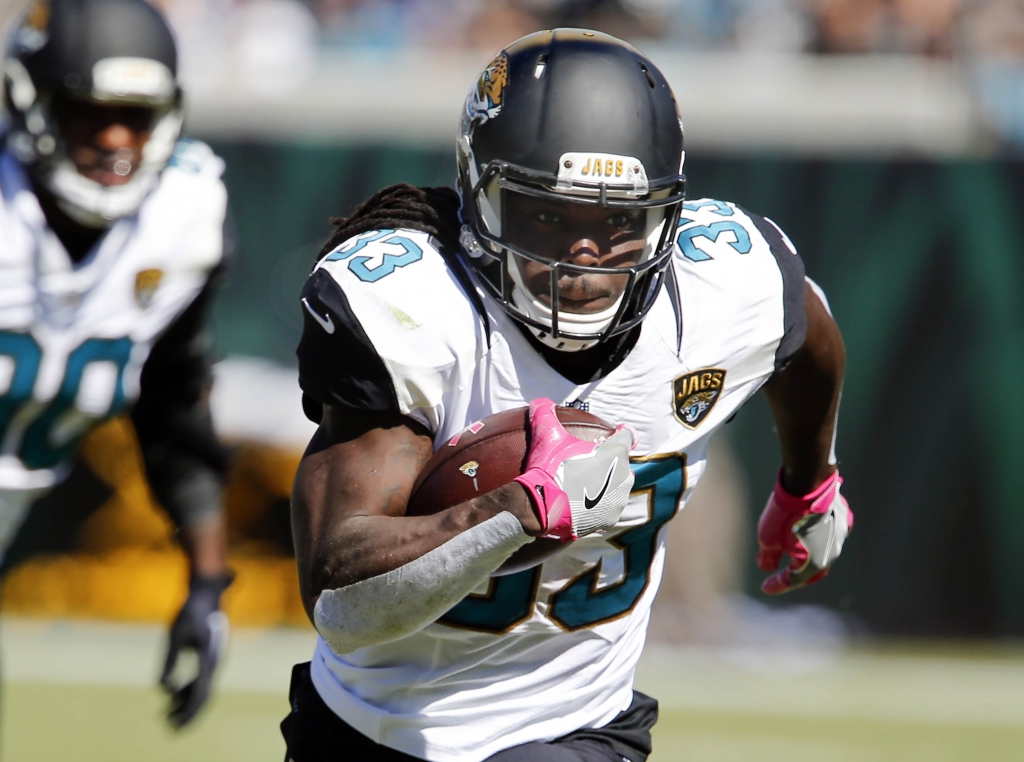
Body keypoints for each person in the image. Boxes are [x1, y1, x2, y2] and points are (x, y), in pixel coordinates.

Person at [286, 29, 853, 762]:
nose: (581, 260)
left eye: (617, 222)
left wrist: (810, 483)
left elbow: (809, 336)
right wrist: (514, 511)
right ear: (480, 196)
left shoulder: (723, 286)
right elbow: (341, 602)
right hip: (373, 725)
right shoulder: (419, 308)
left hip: (576, 724)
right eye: (548, 216)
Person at [0, 0, 233, 729]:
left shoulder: (185, 213)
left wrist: (206, 583)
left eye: (134, 116)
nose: (112, 139)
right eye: (86, 113)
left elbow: (172, 402)